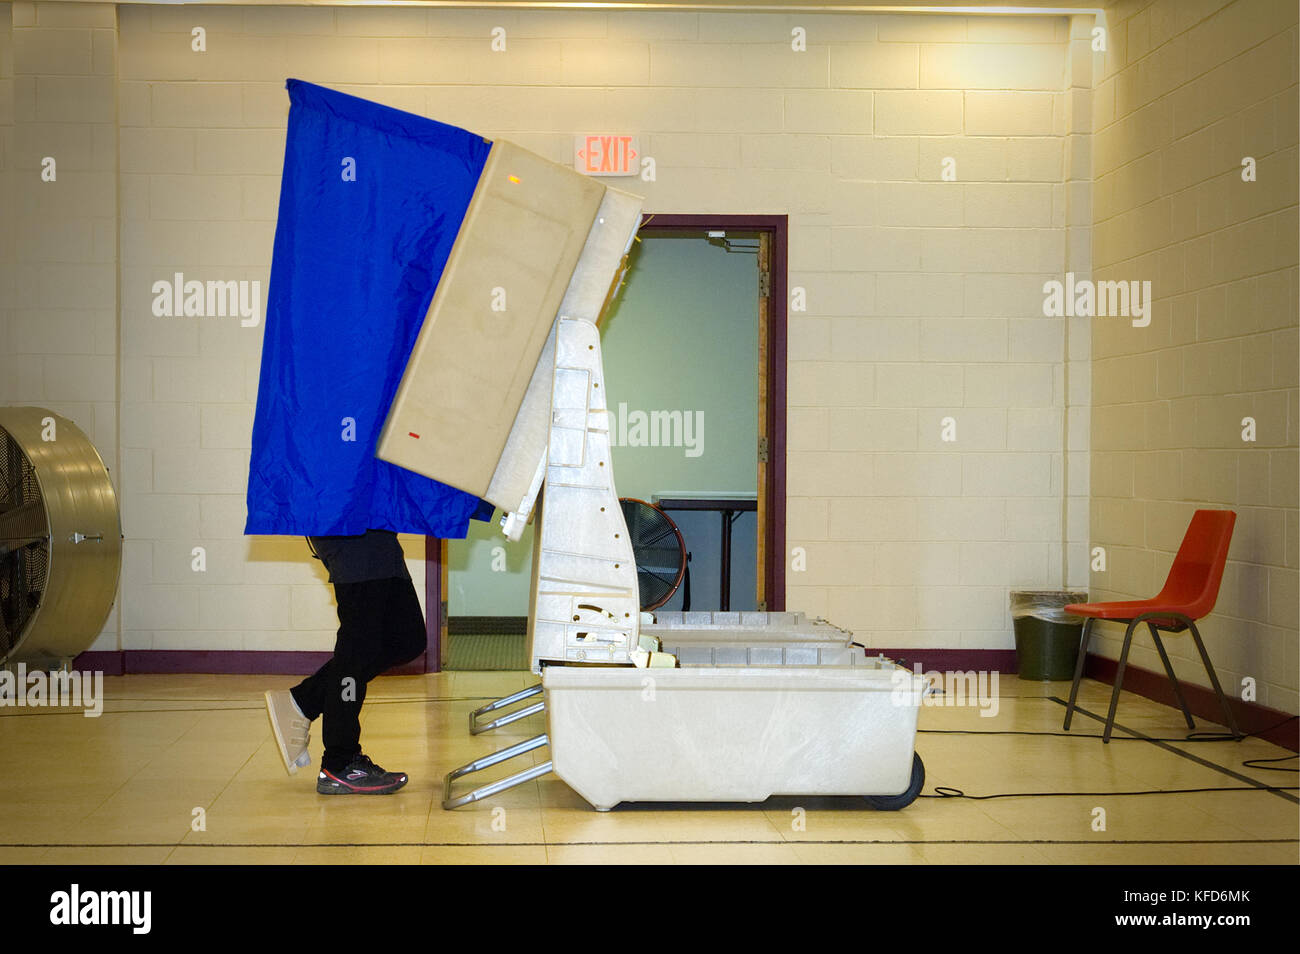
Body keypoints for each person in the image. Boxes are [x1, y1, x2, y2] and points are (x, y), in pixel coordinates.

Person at [264, 529, 426, 795]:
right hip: (351, 528)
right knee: (358, 647)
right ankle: (340, 761)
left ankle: (304, 699)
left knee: (406, 640)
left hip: (378, 531)